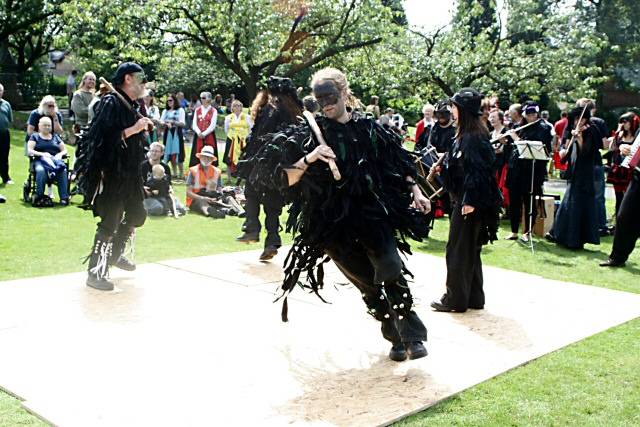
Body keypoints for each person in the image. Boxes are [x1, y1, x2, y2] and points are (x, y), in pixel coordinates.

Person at [245, 67, 431, 362]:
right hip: (331, 226)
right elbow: (281, 178)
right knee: (368, 284)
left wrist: (417, 192)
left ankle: (412, 335)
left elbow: (398, 163)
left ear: (344, 93)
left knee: (390, 268)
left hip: (371, 214)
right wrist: (310, 158)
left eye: (330, 97)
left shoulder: (370, 129)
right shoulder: (308, 134)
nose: (326, 104)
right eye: (319, 99)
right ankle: (394, 335)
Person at [77, 62, 154, 291]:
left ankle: (114, 254)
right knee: (109, 223)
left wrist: (142, 127)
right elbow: (101, 141)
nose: (143, 83)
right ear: (128, 79)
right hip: (111, 176)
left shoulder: (131, 105)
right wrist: (134, 129)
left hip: (130, 176)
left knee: (137, 215)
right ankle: (95, 272)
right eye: (140, 78)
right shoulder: (110, 103)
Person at [430, 88, 502, 313]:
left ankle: (455, 299)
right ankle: (473, 296)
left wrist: (469, 202)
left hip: (470, 202)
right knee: (470, 249)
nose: (451, 110)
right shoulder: (466, 136)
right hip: (467, 199)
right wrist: (444, 168)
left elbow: (478, 172)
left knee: (458, 250)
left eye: (454, 106)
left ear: (462, 110)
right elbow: (462, 170)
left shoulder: (472, 138)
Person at [236, 76, 301, 261]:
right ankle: (272, 240)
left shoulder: (270, 108)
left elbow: (258, 136)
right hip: (283, 164)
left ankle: (252, 229)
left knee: (251, 192)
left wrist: (249, 159)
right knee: (273, 203)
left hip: (264, 161)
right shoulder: (294, 110)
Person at [546, 107, 600, 249]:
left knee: (577, 205)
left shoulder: (592, 131)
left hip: (585, 173)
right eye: (576, 119)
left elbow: (587, 152)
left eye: (581, 119)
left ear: (587, 118)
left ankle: (574, 239)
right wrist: (564, 153)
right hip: (575, 172)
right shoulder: (573, 130)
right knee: (568, 204)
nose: (579, 121)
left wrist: (580, 137)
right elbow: (568, 153)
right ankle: (559, 234)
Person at [505, 102, 553, 242]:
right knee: (514, 201)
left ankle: (527, 232)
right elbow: (511, 146)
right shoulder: (518, 127)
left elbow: (542, 149)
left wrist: (517, 139)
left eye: (533, 114)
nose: (531, 117)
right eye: (528, 114)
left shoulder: (543, 128)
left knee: (529, 201)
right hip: (516, 169)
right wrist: (505, 141)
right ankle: (514, 231)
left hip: (531, 171)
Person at [600, 133, 640, 268]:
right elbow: (632, 147)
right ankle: (617, 258)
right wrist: (624, 148)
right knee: (624, 217)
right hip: (637, 178)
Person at [26, 116, 69, 206]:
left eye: (49, 125)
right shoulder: (35, 136)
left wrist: (60, 154)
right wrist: (42, 154)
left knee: (63, 170)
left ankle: (64, 198)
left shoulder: (55, 137)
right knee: (41, 171)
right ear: (39, 126)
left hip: (54, 161)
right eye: (45, 125)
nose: (47, 127)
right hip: (40, 160)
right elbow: (30, 150)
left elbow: (64, 150)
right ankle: (40, 196)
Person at [606, 112, 639, 219]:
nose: (623, 124)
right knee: (618, 196)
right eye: (621, 122)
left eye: (625, 122)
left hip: (630, 170)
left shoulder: (637, 136)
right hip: (619, 169)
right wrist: (617, 132)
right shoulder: (620, 135)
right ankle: (618, 219)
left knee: (630, 196)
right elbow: (611, 148)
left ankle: (629, 219)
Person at [185, 145, 232, 218]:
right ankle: (214, 212)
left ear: (212, 159)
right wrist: (203, 198)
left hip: (212, 197)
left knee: (228, 198)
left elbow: (220, 189)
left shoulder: (217, 171)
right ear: (200, 157)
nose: (206, 159)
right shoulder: (193, 170)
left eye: (209, 157)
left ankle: (235, 210)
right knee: (202, 203)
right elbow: (188, 193)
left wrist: (218, 197)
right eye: (204, 156)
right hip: (197, 198)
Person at [489, 109, 512, 211]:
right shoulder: (490, 134)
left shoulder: (507, 132)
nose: (491, 119)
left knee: (502, 187)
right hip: (492, 164)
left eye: (494, 117)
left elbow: (509, 149)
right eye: (490, 117)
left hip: (503, 165)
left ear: (500, 119)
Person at [223, 100, 253, 179]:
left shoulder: (247, 117)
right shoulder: (228, 117)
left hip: (243, 141)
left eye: (239, 105)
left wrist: (245, 137)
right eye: (235, 105)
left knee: (243, 158)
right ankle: (229, 177)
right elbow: (226, 129)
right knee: (229, 158)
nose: (237, 107)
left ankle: (242, 177)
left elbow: (251, 128)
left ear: (242, 107)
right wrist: (233, 136)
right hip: (231, 140)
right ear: (232, 107)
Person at [160, 94, 186, 179]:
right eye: (168, 101)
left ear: (175, 101)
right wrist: (165, 123)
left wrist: (173, 122)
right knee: (170, 152)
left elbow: (182, 123)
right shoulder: (165, 111)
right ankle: (174, 172)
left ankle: (181, 173)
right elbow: (161, 121)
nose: (169, 102)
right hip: (168, 133)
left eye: (171, 100)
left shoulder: (180, 110)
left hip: (177, 133)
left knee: (178, 152)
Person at [189, 92, 218, 167]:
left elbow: (212, 126)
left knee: (209, 154)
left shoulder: (214, 110)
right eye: (201, 97)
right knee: (197, 153)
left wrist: (204, 134)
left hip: (209, 136)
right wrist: (199, 132)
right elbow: (194, 124)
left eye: (204, 98)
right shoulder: (197, 110)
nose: (202, 99)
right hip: (198, 136)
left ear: (209, 99)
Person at [0, 83, 13, 185]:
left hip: (4, 133)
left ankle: (6, 177)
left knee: (4, 155)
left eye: (0, 91)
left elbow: (9, 119)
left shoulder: (6, 104)